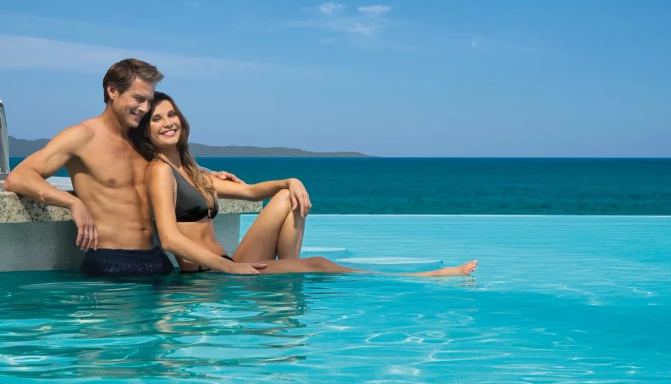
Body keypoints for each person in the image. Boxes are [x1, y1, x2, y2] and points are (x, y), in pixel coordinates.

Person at [130, 91, 479, 278]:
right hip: (209, 276)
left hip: (227, 263)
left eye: (171, 114)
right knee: (322, 264)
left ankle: (285, 275)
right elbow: (171, 238)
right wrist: (230, 267)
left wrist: (290, 180)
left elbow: (251, 192)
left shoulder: (193, 171)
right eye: (156, 119)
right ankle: (423, 276)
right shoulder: (160, 171)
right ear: (146, 131)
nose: (167, 123)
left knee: (285, 197)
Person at [2, 58, 260, 276]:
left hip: (156, 260)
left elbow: (173, 170)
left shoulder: (141, 140)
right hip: (111, 262)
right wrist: (73, 203)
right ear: (112, 91)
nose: (145, 108)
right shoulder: (81, 136)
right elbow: (20, 177)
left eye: (148, 100)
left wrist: (204, 175)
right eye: (139, 99)